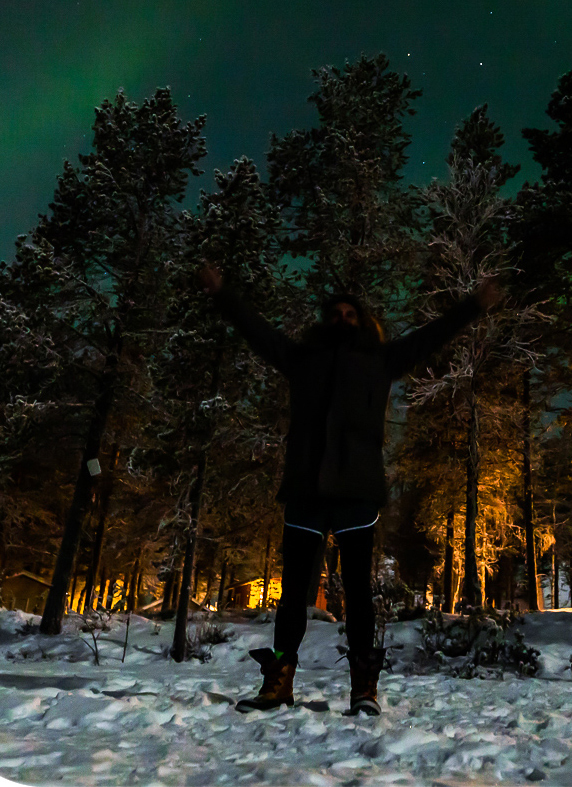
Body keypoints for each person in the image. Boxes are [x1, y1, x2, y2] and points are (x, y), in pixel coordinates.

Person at [199, 263, 501, 714]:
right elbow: (257, 331)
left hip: (357, 492)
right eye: (336, 313)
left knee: (359, 593)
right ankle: (278, 682)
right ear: (326, 322)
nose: (343, 318)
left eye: (350, 313)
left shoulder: (380, 361)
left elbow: (430, 335)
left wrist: (474, 305)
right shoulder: (303, 359)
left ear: (362, 322)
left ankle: (364, 687)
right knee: (293, 594)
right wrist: (223, 294)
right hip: (305, 490)